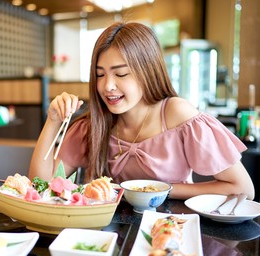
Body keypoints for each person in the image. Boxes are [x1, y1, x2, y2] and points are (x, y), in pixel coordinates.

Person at [29, 22, 255, 200]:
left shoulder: (176, 114)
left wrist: (157, 190)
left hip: (172, 231)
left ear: (147, 71)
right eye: (100, 74)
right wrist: (53, 120)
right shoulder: (93, 126)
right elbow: (40, 186)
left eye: (121, 74)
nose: (107, 86)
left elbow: (242, 188)